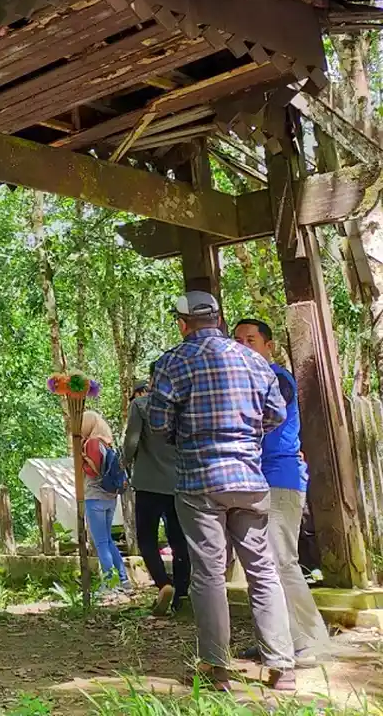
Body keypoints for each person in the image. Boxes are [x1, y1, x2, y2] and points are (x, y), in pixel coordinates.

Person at [149, 291, 295, 690]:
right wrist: (247, 437)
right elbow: (277, 413)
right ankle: (282, 666)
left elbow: (159, 424)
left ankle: (217, 669)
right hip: (249, 480)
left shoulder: (172, 362)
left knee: (209, 574)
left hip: (200, 481)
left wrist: (189, 436)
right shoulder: (253, 359)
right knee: (263, 571)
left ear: (182, 323)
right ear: (219, 319)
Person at [233, 318, 330, 666]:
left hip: (280, 477)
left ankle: (310, 641)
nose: (245, 346)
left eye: (252, 340)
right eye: (238, 341)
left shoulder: (276, 379)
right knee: (263, 564)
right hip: (253, 480)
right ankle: (277, 641)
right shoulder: (242, 384)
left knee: (281, 561)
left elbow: (265, 428)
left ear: (268, 346)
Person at [122, 371, 191, 617]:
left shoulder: (140, 405)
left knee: (147, 539)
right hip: (179, 483)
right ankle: (182, 594)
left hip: (148, 482)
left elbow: (131, 441)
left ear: (152, 380)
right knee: (179, 540)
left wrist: (124, 462)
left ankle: (164, 584)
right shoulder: (183, 405)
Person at [80, 409, 131, 596]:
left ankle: (110, 583)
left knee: (101, 542)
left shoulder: (92, 443)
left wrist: (82, 461)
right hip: (110, 498)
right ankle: (124, 579)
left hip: (95, 497)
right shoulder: (106, 443)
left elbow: (93, 472)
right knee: (108, 540)